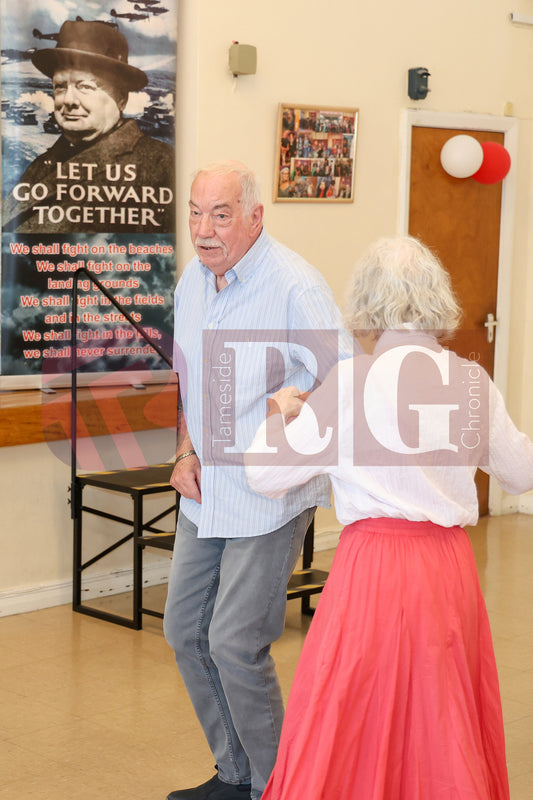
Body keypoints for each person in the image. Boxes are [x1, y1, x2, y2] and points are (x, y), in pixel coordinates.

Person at [245, 235, 533, 800]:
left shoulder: (350, 383)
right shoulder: (473, 382)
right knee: (439, 708)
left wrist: (280, 413)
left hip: (372, 568)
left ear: (367, 303)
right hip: (447, 569)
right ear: (436, 300)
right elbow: (521, 472)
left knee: (354, 705)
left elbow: (265, 474)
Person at [163, 161, 353, 800]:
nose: (204, 229)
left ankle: (280, 788)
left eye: (220, 214)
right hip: (204, 488)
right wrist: (184, 449)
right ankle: (235, 774)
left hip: (270, 498)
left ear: (254, 217)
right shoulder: (194, 279)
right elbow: (188, 377)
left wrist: (292, 412)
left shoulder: (295, 285)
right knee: (185, 630)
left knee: (235, 641)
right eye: (195, 212)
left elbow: (344, 379)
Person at [2, 19, 175, 233]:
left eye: (85, 86)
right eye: (59, 87)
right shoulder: (41, 165)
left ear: (121, 98)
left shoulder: (161, 164)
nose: (69, 100)